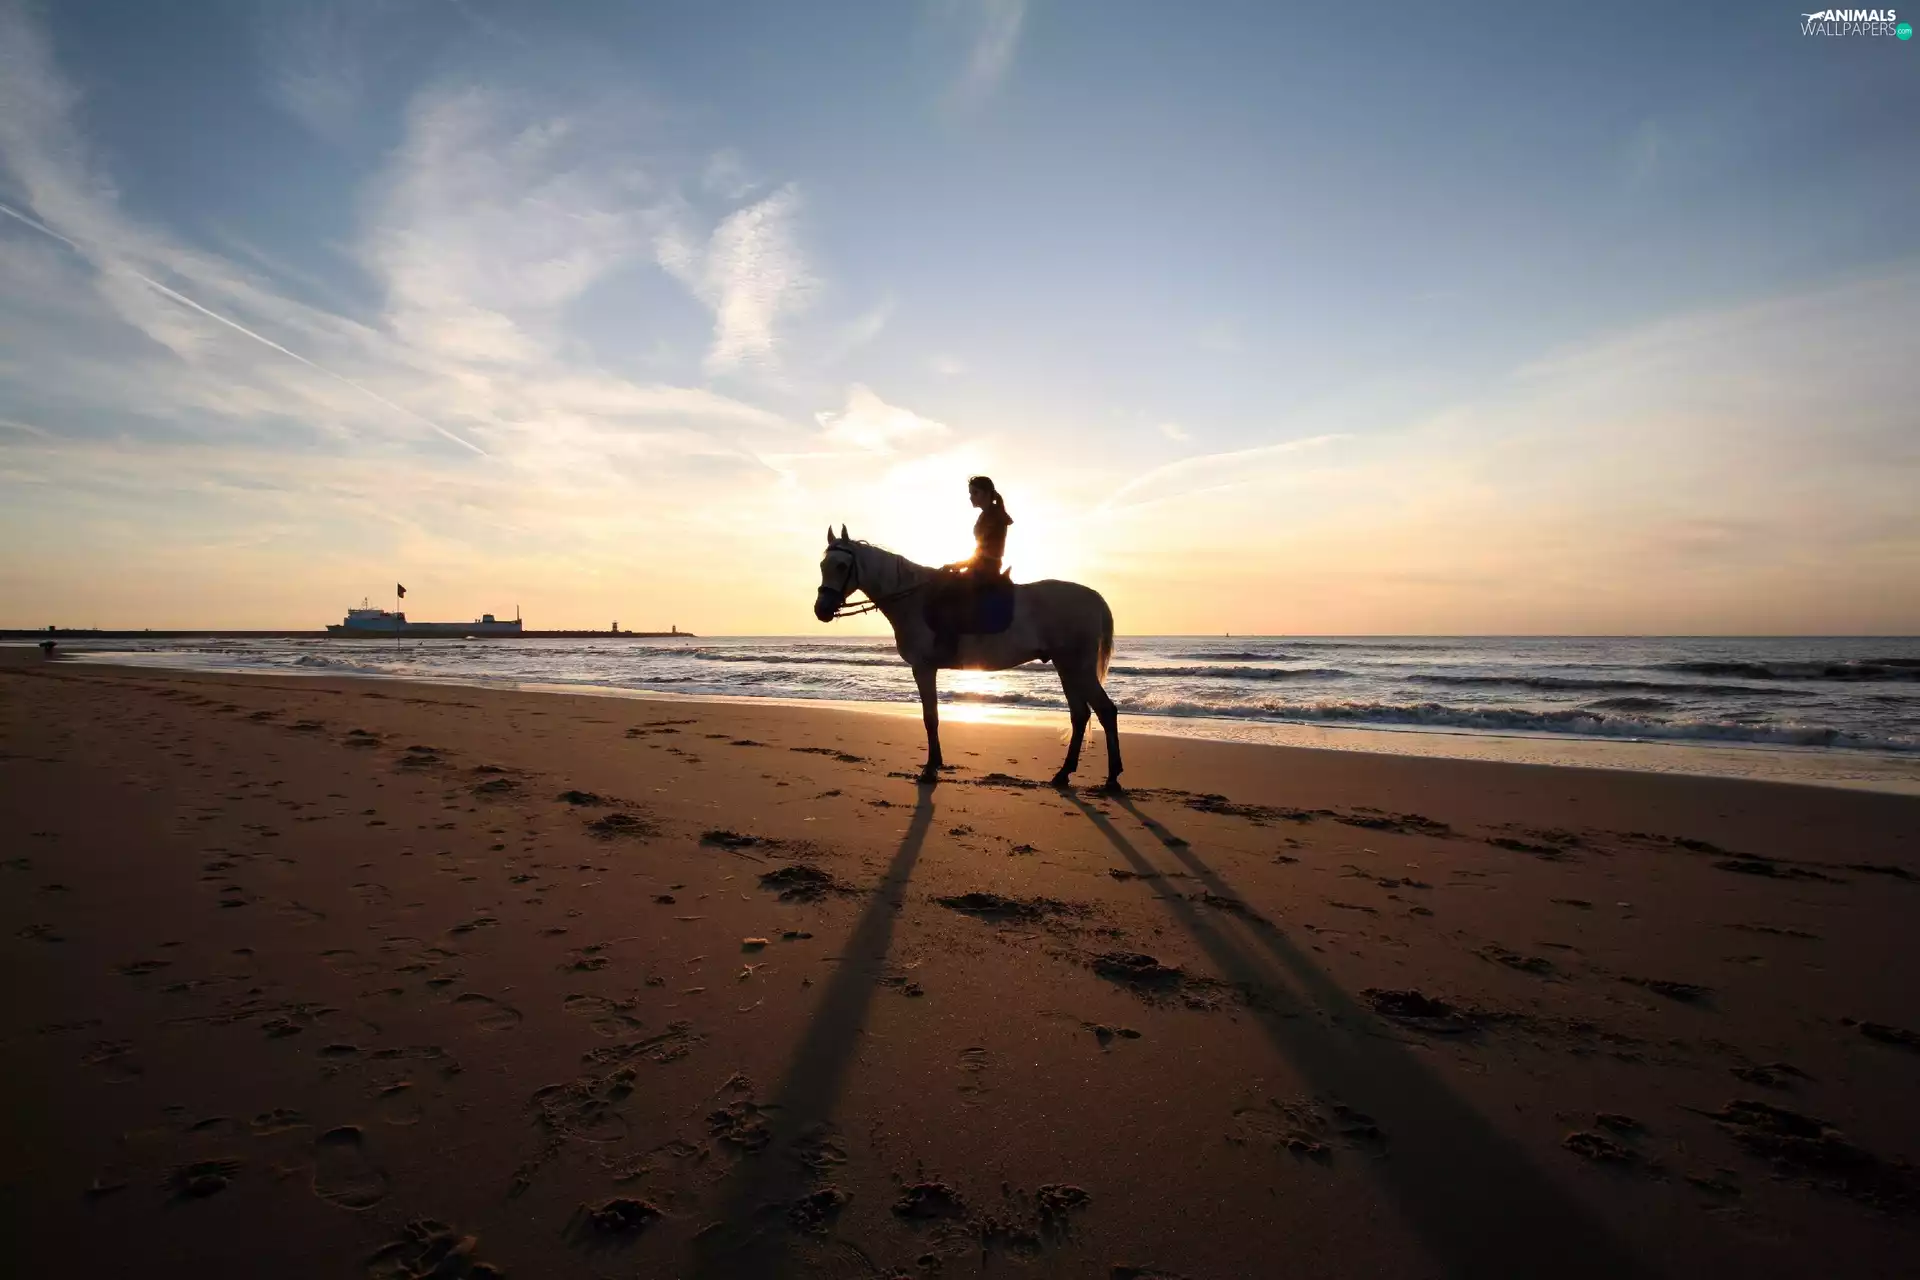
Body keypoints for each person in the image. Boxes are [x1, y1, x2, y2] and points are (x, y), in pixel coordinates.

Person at [932, 476, 1013, 663]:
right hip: (980, 564)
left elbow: (987, 552)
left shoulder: (995, 516)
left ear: (986, 493)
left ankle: (950, 645)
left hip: (987, 568)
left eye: (975, 493)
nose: (971, 497)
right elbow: (979, 551)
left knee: (948, 591)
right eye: (970, 493)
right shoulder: (987, 514)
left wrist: (960, 565)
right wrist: (961, 564)